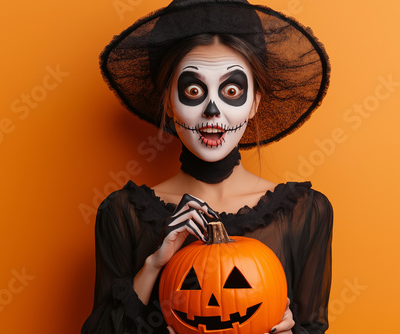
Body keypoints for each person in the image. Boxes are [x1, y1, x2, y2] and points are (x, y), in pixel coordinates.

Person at [82, 0, 333, 333]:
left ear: (254, 102)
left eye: (231, 90)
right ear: (168, 102)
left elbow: (312, 327)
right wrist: (155, 262)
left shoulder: (303, 212)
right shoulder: (123, 213)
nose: (212, 109)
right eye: (193, 89)